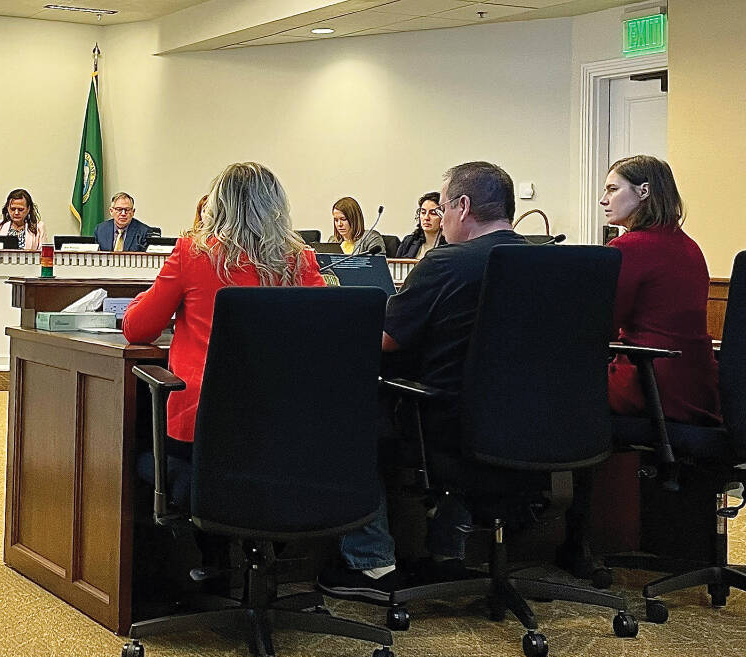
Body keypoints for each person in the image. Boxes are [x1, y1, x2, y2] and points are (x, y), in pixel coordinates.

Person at [317, 161, 528, 602]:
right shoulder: (548, 262)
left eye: (444, 206)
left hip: (449, 425)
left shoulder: (447, 262)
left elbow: (386, 339)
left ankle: (371, 562)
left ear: (463, 206)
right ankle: (446, 552)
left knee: (351, 413)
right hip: (535, 427)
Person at [123, 162, 324, 502]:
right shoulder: (300, 260)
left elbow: (137, 328)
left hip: (200, 426)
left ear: (218, 205)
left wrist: (151, 295)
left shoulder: (192, 253)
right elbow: (322, 330)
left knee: (134, 448)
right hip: (281, 427)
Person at [602, 155, 720, 426]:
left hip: (650, 387)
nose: (603, 200)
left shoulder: (627, 248)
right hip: (697, 389)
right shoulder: (690, 247)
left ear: (643, 191)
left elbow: (600, 326)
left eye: (612, 189)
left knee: (552, 386)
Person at [396, 192, 445, 259]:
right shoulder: (409, 241)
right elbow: (398, 267)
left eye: (433, 213)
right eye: (423, 212)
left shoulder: (450, 245)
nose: (426, 218)